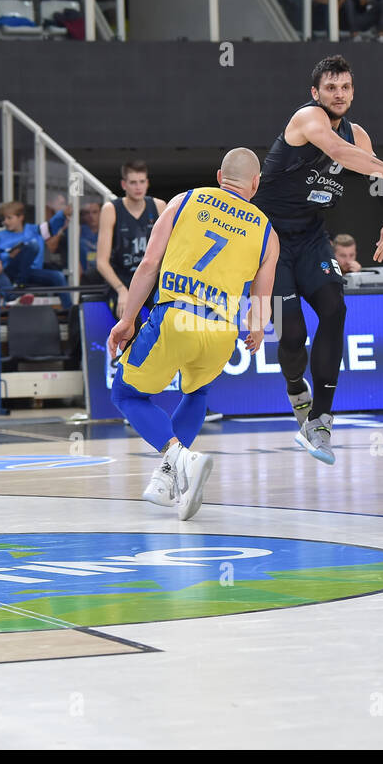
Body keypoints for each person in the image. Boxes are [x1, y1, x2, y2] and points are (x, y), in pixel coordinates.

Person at [251, 55, 383, 464]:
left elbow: (375, 175)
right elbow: (340, 154)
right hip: (269, 239)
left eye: (345, 87)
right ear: (316, 93)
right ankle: (296, 388)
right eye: (331, 87)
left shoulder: (358, 133)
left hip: (311, 237)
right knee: (292, 335)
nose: (339, 94)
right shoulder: (308, 119)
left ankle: (321, 420)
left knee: (335, 308)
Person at [107, 148, 278, 520]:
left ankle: (179, 457)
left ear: (219, 176)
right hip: (221, 329)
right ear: (255, 183)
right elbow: (262, 298)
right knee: (197, 391)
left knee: (125, 394)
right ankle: (170, 476)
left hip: (176, 316)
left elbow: (149, 263)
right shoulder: (267, 230)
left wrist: (127, 319)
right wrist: (257, 328)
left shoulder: (185, 201)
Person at [97, 161, 167, 320]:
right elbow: (101, 262)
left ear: (147, 183)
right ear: (123, 184)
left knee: (165, 323)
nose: (138, 187)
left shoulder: (159, 206)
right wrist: (121, 290)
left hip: (151, 280)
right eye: (133, 182)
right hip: (122, 280)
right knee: (128, 325)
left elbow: (170, 251)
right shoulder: (111, 210)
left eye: (142, 182)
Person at [0, 200, 68, 306]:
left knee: (58, 276)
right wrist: (9, 255)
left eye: (9, 218)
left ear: (21, 217)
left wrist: (63, 214)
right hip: (11, 271)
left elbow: (52, 226)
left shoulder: (34, 230)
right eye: (4, 219)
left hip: (31, 271)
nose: (6, 222)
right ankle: (19, 287)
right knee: (32, 246)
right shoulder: (0, 236)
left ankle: (69, 310)